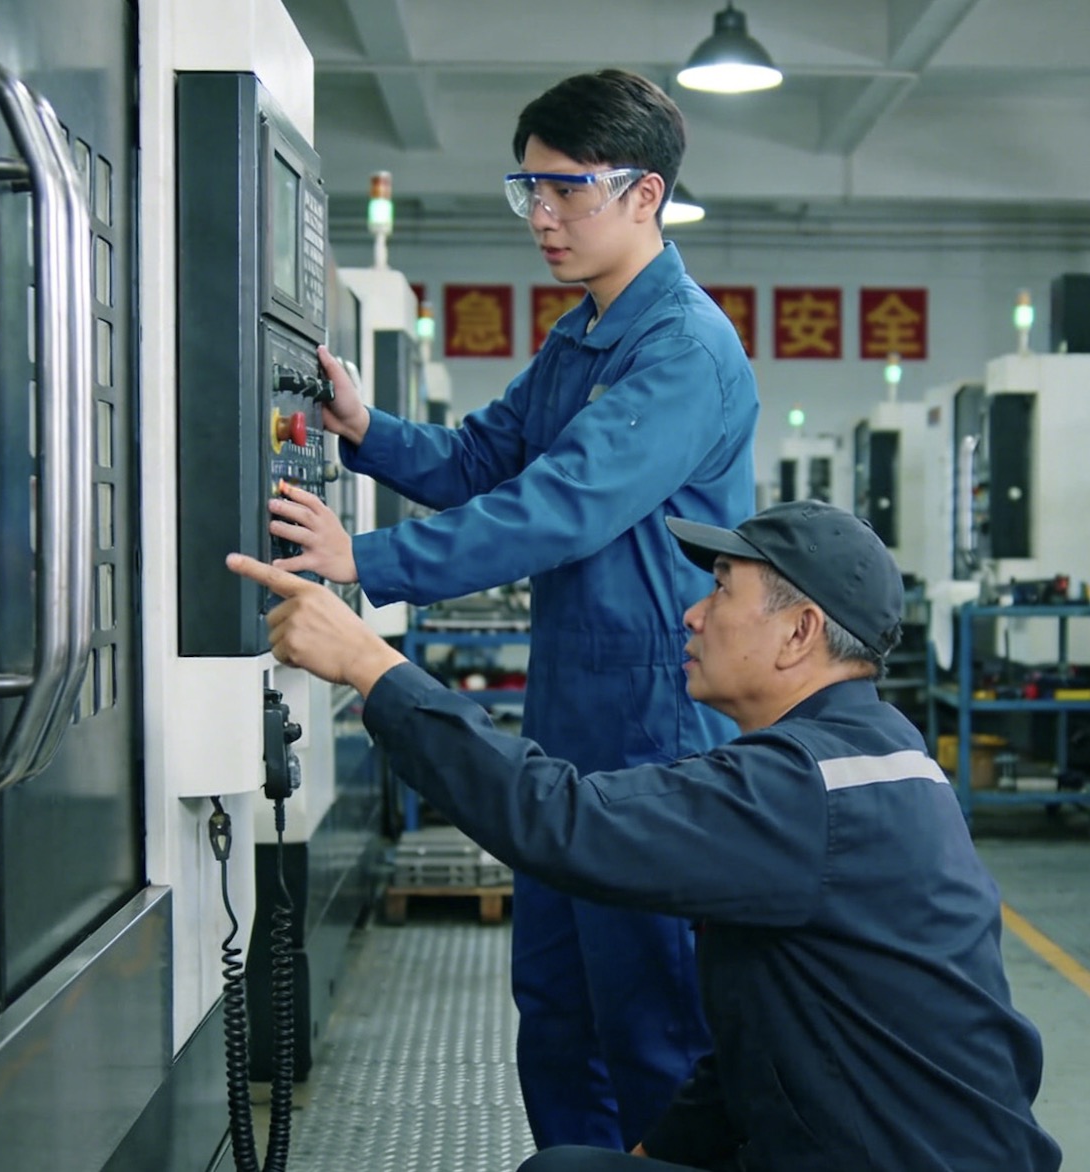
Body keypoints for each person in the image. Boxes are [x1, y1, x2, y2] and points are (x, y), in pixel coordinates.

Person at [225, 501, 1064, 1172]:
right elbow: (767, 1034)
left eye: (723, 589)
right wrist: (655, 1154)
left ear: (801, 631)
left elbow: (564, 821)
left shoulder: (801, 789)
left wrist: (374, 670)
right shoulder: (874, 754)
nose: (693, 615)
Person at [262, 70, 756, 1151]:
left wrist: (366, 557)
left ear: (644, 194)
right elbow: (486, 457)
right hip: (574, 710)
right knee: (557, 1005)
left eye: (565, 189)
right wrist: (365, 426)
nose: (541, 216)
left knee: (652, 1020)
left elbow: (562, 502)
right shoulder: (583, 336)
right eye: (525, 189)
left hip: (660, 721)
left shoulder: (680, 348)